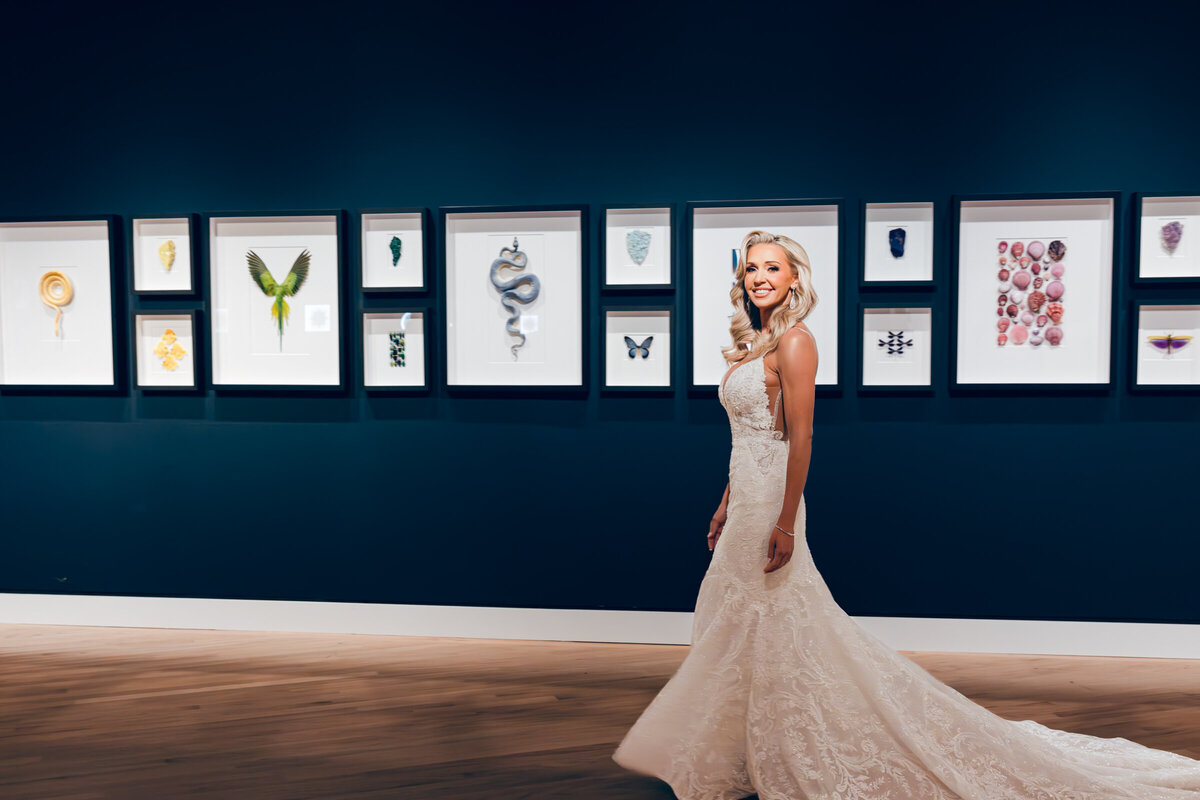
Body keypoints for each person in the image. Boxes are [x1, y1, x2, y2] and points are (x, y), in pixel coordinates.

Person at [612, 230, 1200, 799]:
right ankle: (746, 746)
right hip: (746, 498)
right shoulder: (754, 345)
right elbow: (748, 438)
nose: (759, 277)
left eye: (773, 267)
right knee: (741, 623)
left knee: (769, 617)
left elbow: (802, 437)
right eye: (751, 267)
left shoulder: (796, 342)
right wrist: (724, 503)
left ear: (794, 281)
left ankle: (783, 742)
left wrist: (785, 521)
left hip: (772, 504)